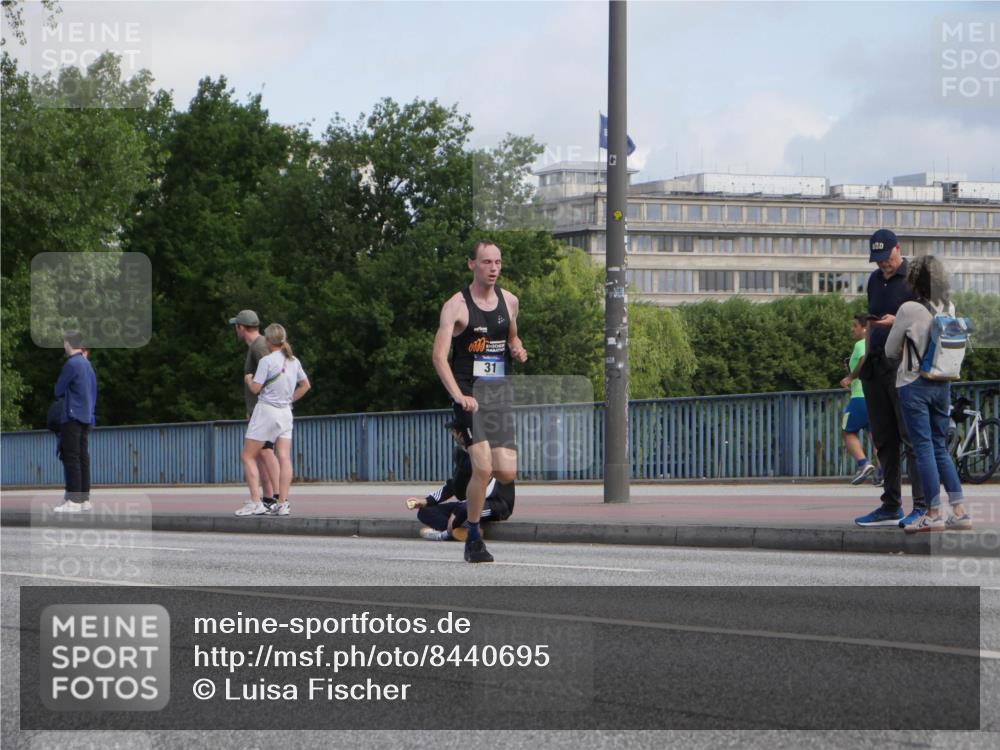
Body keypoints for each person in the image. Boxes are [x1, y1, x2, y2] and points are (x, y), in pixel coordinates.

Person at [432, 240, 527, 563]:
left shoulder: (510, 301)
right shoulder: (456, 306)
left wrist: (517, 349)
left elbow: (512, 336)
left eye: (498, 262)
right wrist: (458, 396)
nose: (494, 268)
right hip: (469, 396)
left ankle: (464, 471)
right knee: (484, 467)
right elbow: (438, 357)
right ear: (472, 264)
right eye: (486, 262)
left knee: (506, 473)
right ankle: (473, 538)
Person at [885, 256, 971, 533]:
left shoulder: (909, 308)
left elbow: (890, 350)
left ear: (914, 280)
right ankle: (960, 512)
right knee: (939, 448)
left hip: (914, 384)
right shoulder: (949, 306)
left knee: (922, 448)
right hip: (943, 382)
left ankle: (933, 513)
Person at [854, 229, 926, 529]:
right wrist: (866, 358)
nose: (883, 265)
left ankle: (922, 505)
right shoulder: (873, 280)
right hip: (876, 364)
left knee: (910, 436)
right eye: (878, 260)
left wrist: (900, 321)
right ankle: (890, 504)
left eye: (887, 258)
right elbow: (871, 320)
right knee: (884, 438)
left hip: (905, 366)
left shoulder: (916, 277)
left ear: (899, 249)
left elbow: (931, 320)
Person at [236, 324, 310, 517]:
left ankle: (255, 502)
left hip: (266, 411)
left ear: (269, 341)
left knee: (247, 456)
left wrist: (248, 379)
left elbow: (255, 389)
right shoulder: (294, 361)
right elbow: (305, 385)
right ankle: (282, 503)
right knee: (283, 456)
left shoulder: (267, 361)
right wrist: (288, 400)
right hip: (286, 412)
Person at [405, 420, 514, 541]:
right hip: (467, 504)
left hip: (496, 504)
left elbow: (485, 488)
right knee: (425, 512)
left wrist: (458, 511)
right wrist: (425, 501)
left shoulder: (486, 454)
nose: (452, 435)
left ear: (462, 435)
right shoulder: (465, 455)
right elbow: (453, 485)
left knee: (464, 510)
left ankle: (447, 534)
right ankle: (461, 530)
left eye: (453, 432)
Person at [230, 309, 279, 511]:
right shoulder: (256, 346)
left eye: (236, 327)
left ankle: (275, 498)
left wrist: (260, 401)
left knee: (265, 452)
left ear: (241, 327)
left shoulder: (259, 347)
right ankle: (269, 498)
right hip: (259, 410)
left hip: (264, 411)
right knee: (261, 454)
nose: (236, 330)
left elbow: (273, 373)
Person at [53, 331, 97, 513]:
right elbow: (93, 390)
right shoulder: (87, 365)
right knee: (82, 457)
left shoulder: (71, 364)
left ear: (68, 344)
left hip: (71, 416)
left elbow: (58, 390)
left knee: (71, 458)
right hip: (86, 416)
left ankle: (74, 500)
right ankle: (84, 498)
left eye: (64, 343)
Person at [839, 314, 880, 485]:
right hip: (878, 397)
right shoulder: (880, 344)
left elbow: (864, 358)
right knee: (875, 436)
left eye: (855, 326)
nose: (852, 329)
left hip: (860, 397)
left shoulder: (861, 344)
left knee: (848, 431)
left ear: (865, 328)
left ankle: (864, 463)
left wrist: (849, 377)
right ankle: (883, 473)